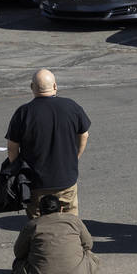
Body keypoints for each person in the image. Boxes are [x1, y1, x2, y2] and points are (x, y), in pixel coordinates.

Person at [6, 69, 91, 218]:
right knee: (71, 223)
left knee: (38, 226)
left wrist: (19, 169)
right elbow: (84, 135)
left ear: (32, 87)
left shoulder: (23, 113)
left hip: (36, 183)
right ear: (55, 86)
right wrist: (75, 157)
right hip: (66, 180)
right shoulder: (71, 106)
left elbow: (12, 148)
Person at [12, 193, 99, 274]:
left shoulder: (32, 225)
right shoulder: (74, 221)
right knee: (89, 256)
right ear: (61, 209)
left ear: (39, 211)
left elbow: (19, 253)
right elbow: (88, 245)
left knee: (17, 263)